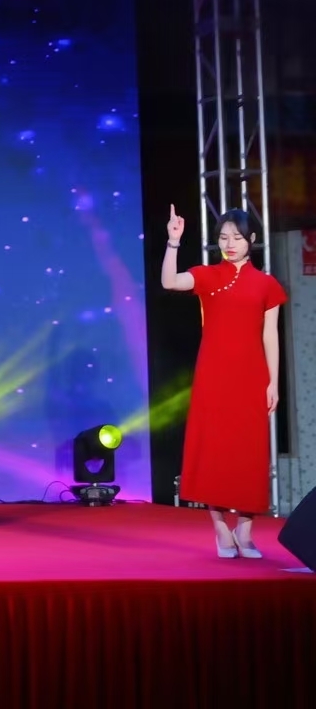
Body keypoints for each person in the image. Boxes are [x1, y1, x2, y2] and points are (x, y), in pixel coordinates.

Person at [160, 205, 286, 558]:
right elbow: (169, 282)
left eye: (237, 238)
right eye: (223, 237)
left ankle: (245, 532)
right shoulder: (210, 275)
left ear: (252, 240)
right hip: (213, 376)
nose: (230, 244)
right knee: (212, 450)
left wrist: (273, 382)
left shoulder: (267, 284)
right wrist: (173, 242)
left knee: (249, 453)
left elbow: (270, 336)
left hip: (252, 378)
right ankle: (220, 530)